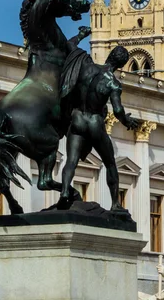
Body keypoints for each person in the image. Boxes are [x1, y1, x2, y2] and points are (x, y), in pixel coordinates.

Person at [57, 27, 138, 210]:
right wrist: (127, 121)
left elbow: (69, 45)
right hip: (94, 122)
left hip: (77, 118)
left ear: (109, 55)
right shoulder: (113, 83)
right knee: (110, 163)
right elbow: (117, 110)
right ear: (121, 65)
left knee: (71, 160)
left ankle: (64, 191)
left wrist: (81, 35)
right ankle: (116, 204)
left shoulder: (86, 65)